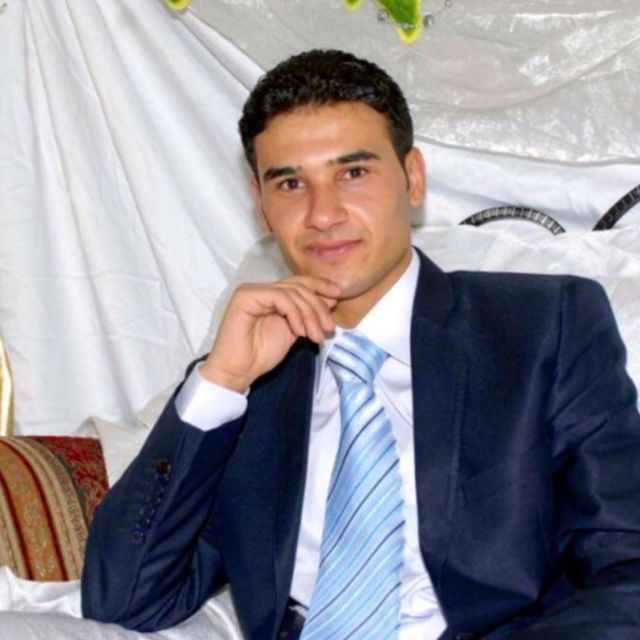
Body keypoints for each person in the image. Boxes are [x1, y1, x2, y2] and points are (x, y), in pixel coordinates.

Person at [81, 49, 640, 640]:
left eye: (353, 173)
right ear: (261, 206)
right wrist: (220, 383)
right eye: (291, 183)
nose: (322, 214)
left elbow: (627, 567)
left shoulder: (541, 329)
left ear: (413, 177)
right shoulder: (251, 382)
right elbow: (125, 601)